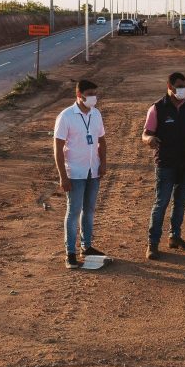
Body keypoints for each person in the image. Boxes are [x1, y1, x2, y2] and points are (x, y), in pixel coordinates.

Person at [142, 73, 185, 260]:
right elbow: (145, 134)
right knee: (161, 203)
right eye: (179, 86)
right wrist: (149, 139)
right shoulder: (157, 109)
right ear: (169, 86)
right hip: (166, 164)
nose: (183, 89)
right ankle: (152, 244)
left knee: (180, 203)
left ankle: (174, 236)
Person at [53, 80, 107, 269]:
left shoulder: (96, 114)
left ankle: (87, 246)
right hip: (74, 173)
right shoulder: (66, 116)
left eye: (95, 93)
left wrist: (103, 163)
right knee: (74, 211)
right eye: (90, 93)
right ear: (79, 95)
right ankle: (70, 253)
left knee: (89, 210)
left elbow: (101, 140)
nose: (94, 96)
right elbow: (58, 149)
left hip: (93, 171)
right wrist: (63, 176)